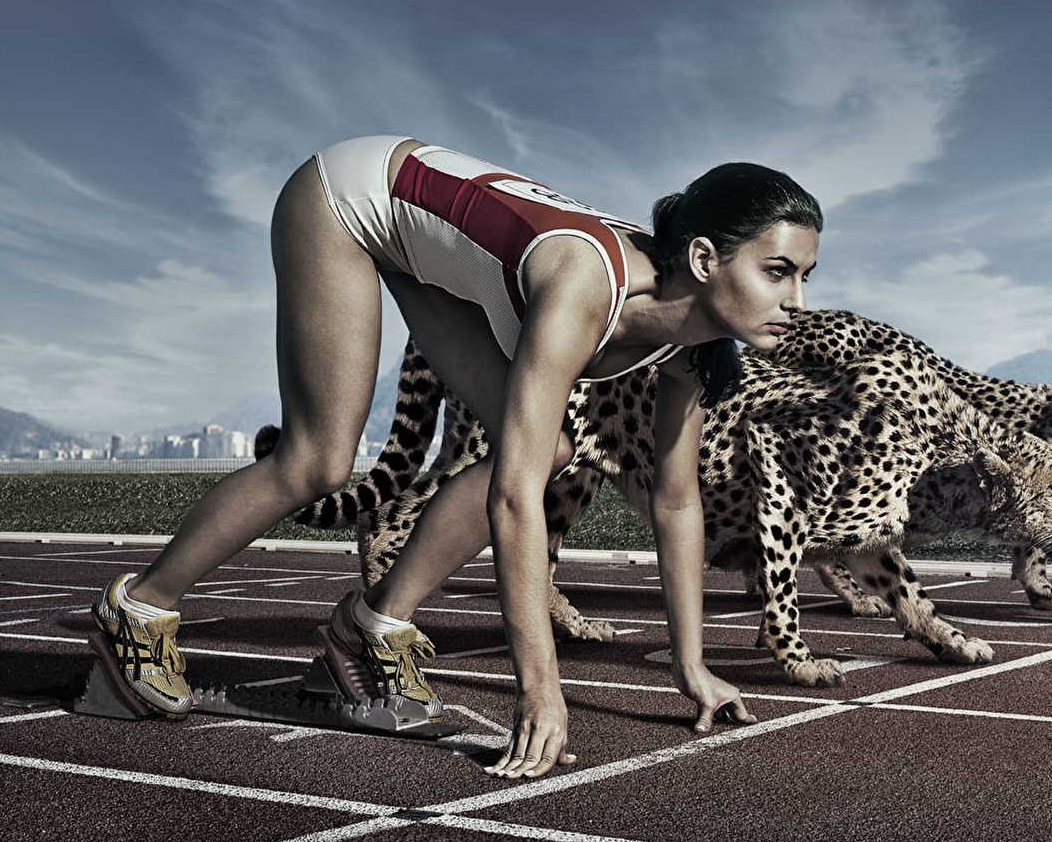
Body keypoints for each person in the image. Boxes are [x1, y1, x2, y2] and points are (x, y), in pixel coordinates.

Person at [89, 135, 822, 779]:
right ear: (702, 258)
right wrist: (540, 691)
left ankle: (369, 628)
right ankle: (138, 610)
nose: (796, 300)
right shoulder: (585, 285)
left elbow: (676, 499)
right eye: (778, 271)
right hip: (349, 197)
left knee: (551, 446)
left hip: (420, 236)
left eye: (803, 277)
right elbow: (514, 499)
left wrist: (692, 667)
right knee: (318, 460)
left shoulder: (694, 347)